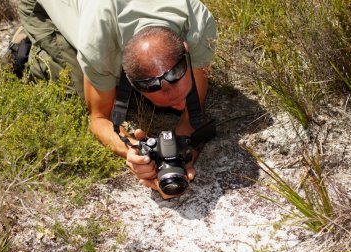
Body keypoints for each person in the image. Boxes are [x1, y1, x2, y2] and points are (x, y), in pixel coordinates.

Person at [17, 0, 217, 199]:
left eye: (182, 96)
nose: (182, 106)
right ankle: (24, 48)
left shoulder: (196, 26)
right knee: (75, 85)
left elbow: (192, 115)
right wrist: (131, 151)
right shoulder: (97, 46)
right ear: (127, 81)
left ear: (186, 49)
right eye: (173, 104)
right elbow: (99, 119)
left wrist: (181, 157)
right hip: (48, 6)